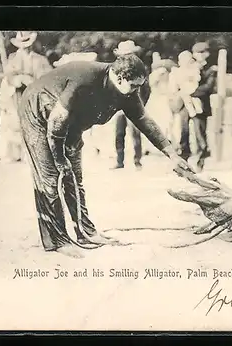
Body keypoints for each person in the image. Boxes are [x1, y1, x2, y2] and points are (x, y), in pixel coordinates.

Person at [18, 54, 196, 258]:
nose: (136, 92)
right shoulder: (85, 79)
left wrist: (172, 155)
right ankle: (57, 240)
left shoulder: (126, 91)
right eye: (134, 86)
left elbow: (145, 122)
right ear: (119, 78)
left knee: (75, 177)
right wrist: (59, 159)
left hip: (70, 123)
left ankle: (86, 232)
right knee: (51, 178)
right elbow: (56, 124)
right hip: (39, 112)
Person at [0, 31, 53, 163]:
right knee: (14, 123)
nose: (25, 46)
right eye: (22, 44)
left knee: (34, 122)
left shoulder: (40, 59)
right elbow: (9, 77)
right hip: (17, 95)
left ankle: (32, 153)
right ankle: (14, 154)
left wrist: (31, 81)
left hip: (33, 95)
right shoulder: (12, 58)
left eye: (27, 43)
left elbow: (47, 77)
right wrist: (18, 79)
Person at [112, 40, 150, 170]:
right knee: (119, 133)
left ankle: (137, 161)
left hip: (134, 106)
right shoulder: (116, 68)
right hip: (118, 107)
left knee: (135, 134)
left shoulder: (141, 68)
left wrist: (141, 104)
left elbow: (146, 90)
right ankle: (119, 161)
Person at [190, 42, 217, 171]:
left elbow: (208, 88)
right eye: (197, 53)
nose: (198, 56)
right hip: (189, 104)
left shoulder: (211, 69)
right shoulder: (192, 67)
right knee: (186, 132)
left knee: (200, 133)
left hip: (201, 105)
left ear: (207, 54)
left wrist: (191, 91)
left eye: (201, 53)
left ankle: (201, 161)